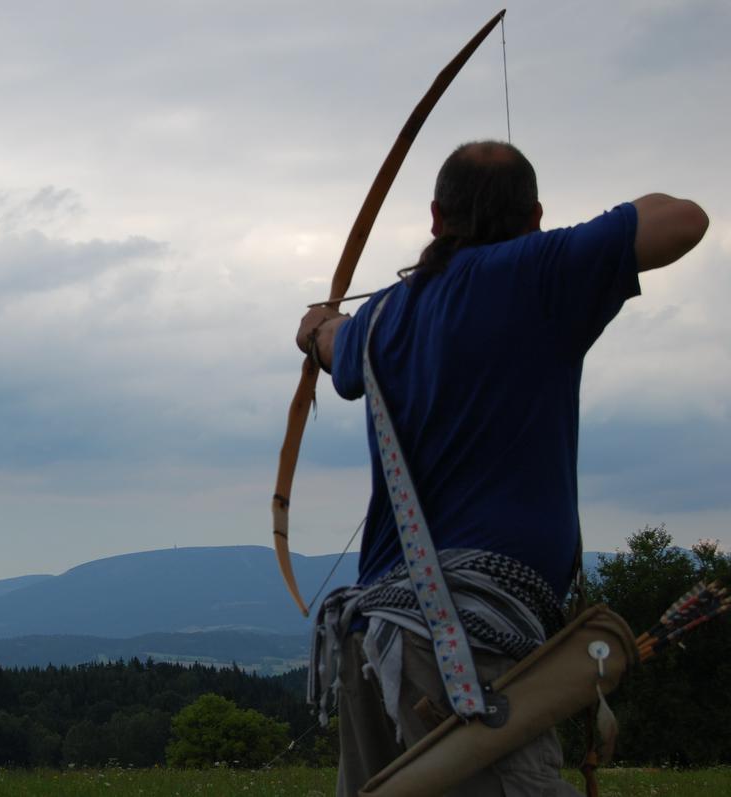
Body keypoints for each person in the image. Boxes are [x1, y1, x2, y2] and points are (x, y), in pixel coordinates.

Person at [296, 140, 708, 796]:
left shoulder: (380, 320)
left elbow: (333, 343)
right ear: (536, 214)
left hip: (374, 641)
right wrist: (569, 244)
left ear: (435, 218)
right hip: (461, 642)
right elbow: (684, 219)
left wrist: (318, 326)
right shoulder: (540, 270)